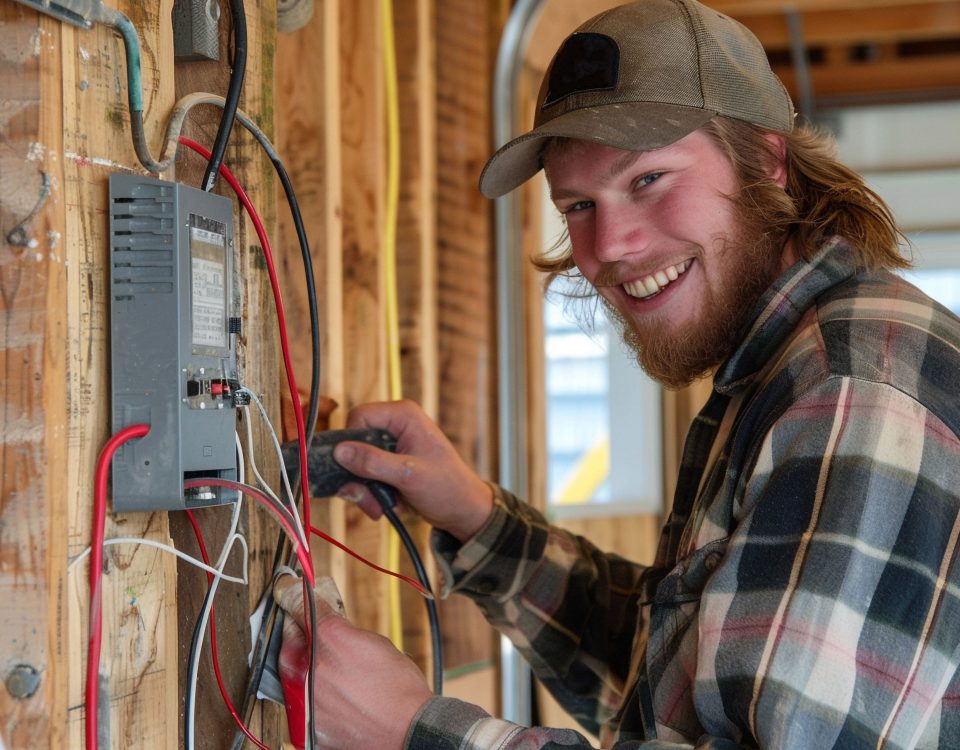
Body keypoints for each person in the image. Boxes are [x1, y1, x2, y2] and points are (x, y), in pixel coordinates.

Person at [277, 0, 960, 747]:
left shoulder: (850, 390)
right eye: (577, 205)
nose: (610, 245)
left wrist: (412, 729)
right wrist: (476, 519)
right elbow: (680, 686)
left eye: (648, 180)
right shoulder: (779, 370)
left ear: (767, 161)